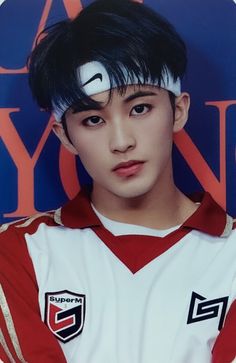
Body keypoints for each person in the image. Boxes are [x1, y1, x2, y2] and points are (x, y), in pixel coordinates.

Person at [0, 0, 235, 362]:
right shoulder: (18, 253)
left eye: (140, 108)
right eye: (93, 119)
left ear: (179, 110)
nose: (121, 141)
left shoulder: (229, 256)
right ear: (64, 136)